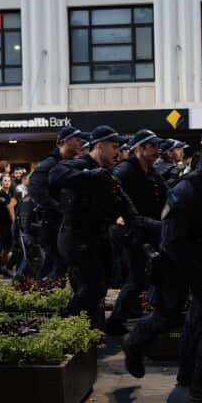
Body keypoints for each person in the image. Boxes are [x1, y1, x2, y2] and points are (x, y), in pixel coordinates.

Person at [125, 137, 202, 403]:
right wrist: (200, 275)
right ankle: (135, 343)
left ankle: (192, 375)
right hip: (176, 263)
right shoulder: (187, 190)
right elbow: (171, 241)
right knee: (168, 317)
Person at [49, 125, 136, 328]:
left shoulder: (107, 174)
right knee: (92, 288)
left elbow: (123, 203)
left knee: (98, 288)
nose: (118, 152)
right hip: (76, 238)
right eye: (114, 147)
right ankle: (62, 328)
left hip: (97, 237)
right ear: (100, 145)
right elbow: (55, 175)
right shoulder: (81, 165)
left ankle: (84, 335)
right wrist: (91, 176)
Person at [105, 130, 167, 335]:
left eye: (158, 147)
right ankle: (116, 321)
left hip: (148, 230)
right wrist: (117, 215)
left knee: (141, 277)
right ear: (139, 149)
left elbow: (166, 193)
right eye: (153, 147)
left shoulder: (151, 171)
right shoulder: (124, 170)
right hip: (131, 232)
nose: (157, 151)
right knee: (137, 277)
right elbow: (109, 191)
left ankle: (126, 316)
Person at [29, 126, 84, 280]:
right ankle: (41, 296)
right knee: (56, 263)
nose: (81, 143)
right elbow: (35, 190)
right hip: (51, 223)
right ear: (64, 142)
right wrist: (59, 207)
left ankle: (44, 294)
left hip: (63, 223)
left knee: (58, 264)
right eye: (77, 140)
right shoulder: (50, 163)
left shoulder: (69, 163)